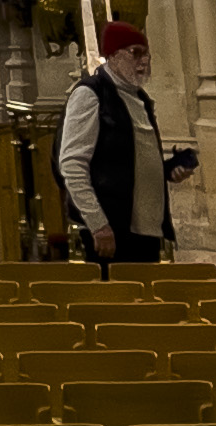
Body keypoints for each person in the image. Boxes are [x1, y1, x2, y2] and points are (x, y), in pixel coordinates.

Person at [56, 17, 176, 266]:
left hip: (145, 230)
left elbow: (130, 158)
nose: (144, 61)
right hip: (111, 229)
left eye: (147, 55)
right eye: (135, 53)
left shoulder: (139, 96)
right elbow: (72, 164)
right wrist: (98, 224)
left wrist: (169, 169)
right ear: (112, 55)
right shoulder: (90, 94)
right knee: (117, 301)